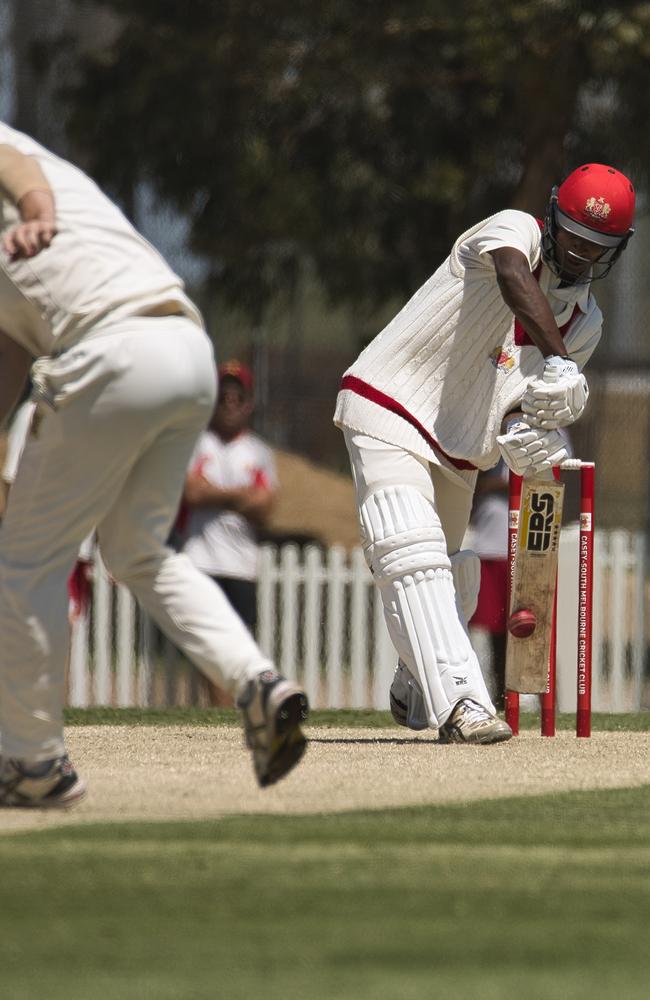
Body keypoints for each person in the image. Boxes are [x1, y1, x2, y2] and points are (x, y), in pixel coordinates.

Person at [0, 122, 308, 807]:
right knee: (137, 551)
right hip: (183, 351)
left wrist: (37, 212)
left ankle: (34, 763)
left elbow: (12, 161)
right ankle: (257, 681)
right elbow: (10, 357)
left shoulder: (24, 187)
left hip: (109, 353)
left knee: (26, 563)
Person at [334, 163, 634, 743]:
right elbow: (513, 279)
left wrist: (525, 434)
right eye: (573, 234)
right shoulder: (512, 229)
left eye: (597, 246)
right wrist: (560, 361)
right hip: (388, 403)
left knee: (450, 574)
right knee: (408, 549)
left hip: (462, 448)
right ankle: (464, 703)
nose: (578, 253)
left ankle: (415, 679)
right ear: (552, 215)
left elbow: (518, 404)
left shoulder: (586, 321)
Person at [179, 359, 277, 703]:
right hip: (201, 561)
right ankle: (220, 714)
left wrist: (216, 494)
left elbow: (265, 508)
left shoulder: (259, 452)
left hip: (241, 565)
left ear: (248, 402)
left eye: (237, 397)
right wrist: (240, 494)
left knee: (237, 643)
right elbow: (192, 493)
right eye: (224, 397)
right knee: (209, 645)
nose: (230, 403)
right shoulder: (197, 445)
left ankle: (231, 710)